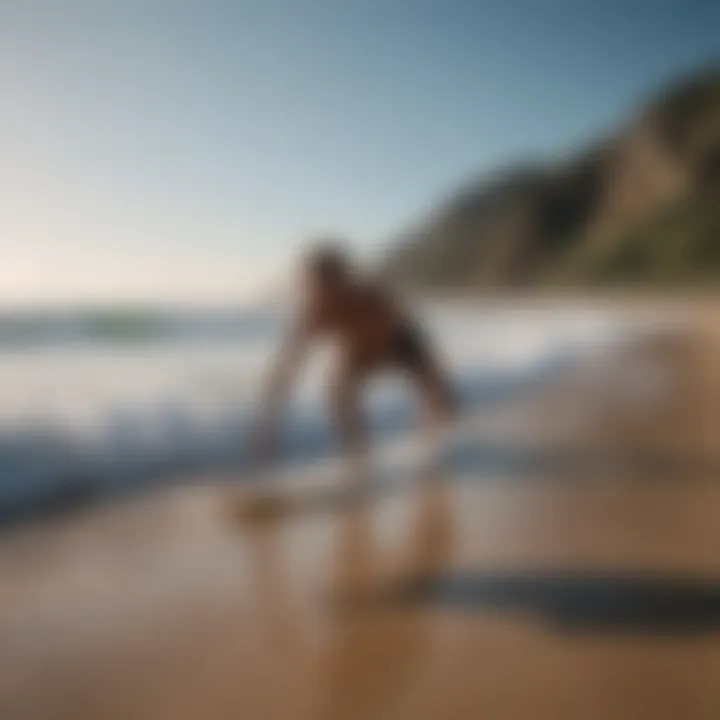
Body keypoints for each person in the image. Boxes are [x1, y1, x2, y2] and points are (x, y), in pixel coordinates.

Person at [251, 241, 456, 467]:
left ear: (344, 278)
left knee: (442, 402)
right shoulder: (315, 311)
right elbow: (287, 366)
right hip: (360, 349)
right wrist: (267, 425)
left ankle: (437, 452)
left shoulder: (371, 295)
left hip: (399, 342)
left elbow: (413, 338)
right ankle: (359, 455)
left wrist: (434, 385)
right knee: (337, 394)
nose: (325, 293)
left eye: (331, 283)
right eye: (317, 285)